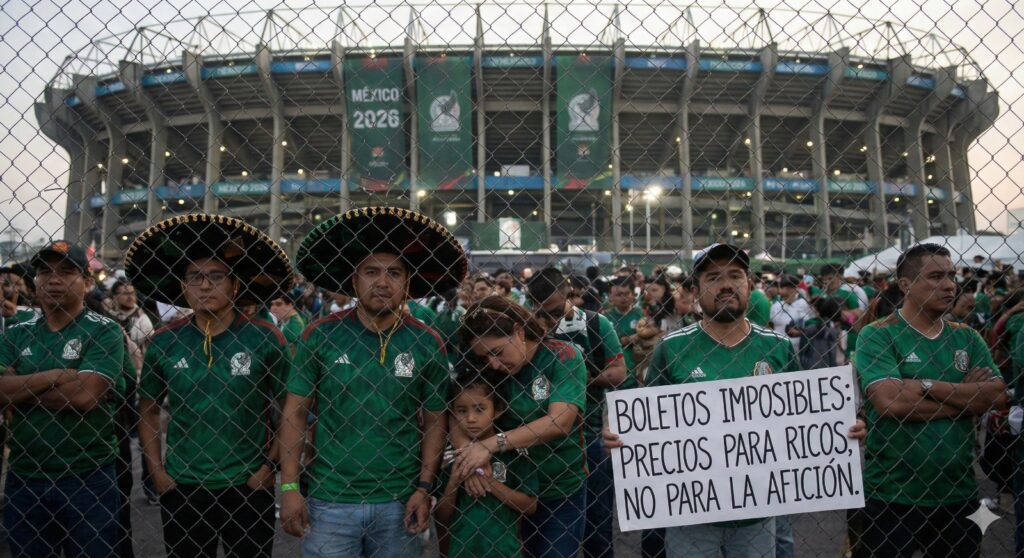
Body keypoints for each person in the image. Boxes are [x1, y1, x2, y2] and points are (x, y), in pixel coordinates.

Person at [603, 243, 866, 558]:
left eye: (735, 276)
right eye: (713, 277)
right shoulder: (671, 349)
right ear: (697, 292)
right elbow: (649, 423)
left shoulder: (778, 347)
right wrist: (625, 437)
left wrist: (837, 429)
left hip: (760, 511)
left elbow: (801, 420)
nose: (726, 284)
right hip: (692, 513)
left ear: (750, 285)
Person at [279, 207, 465, 557]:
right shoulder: (320, 335)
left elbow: (436, 421)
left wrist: (425, 488)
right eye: (371, 272)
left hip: (400, 499)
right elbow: (294, 413)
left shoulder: (427, 341)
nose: (383, 282)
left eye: (394, 273)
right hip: (330, 497)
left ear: (408, 284)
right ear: (353, 281)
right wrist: (289, 486)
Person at [128, 214, 294, 558]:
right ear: (183, 287)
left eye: (216, 277)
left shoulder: (265, 337)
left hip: (248, 484)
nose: (205, 286)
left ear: (234, 285)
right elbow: (148, 409)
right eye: (195, 278)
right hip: (183, 485)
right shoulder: (164, 341)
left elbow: (291, 410)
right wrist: (157, 472)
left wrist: (269, 468)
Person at [856, 243, 1008, 557]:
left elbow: (995, 394)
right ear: (906, 285)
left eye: (952, 275)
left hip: (959, 494)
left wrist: (923, 385)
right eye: (936, 276)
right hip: (891, 494)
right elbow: (890, 403)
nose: (950, 284)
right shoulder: (878, 334)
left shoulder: (966, 337)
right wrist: (965, 398)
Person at [0, 241, 126, 557]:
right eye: (45, 272)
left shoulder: (104, 331)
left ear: (86, 283)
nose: (53, 280)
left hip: (87, 475)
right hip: (25, 474)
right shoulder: (16, 330)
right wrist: (57, 375)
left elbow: (84, 397)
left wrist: (20, 388)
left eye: (66, 272)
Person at [454, 295, 588, 558]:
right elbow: (457, 412)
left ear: (519, 331)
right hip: (507, 486)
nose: (493, 363)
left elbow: (559, 422)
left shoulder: (562, 356)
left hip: (560, 485)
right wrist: (469, 462)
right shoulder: (485, 368)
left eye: (497, 352)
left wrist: (489, 445)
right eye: (484, 356)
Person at [525, 267, 626, 558]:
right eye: (542, 310)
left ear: (567, 291)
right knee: (541, 525)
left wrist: (577, 379)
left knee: (597, 527)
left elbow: (619, 371)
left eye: (556, 310)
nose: (550, 318)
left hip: (588, 435)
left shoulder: (595, 324)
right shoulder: (529, 325)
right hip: (540, 437)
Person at [435, 372, 538, 558]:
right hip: (461, 552)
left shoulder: (514, 455)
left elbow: (530, 506)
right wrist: (454, 482)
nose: (471, 419)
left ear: (497, 410)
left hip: (505, 552)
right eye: (462, 410)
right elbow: (441, 518)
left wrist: (490, 483)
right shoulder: (452, 459)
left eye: (480, 409)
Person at [606, 276, 644, 376]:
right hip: (614, 371)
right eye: (619, 295)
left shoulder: (640, 314)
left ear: (633, 294)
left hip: (638, 369)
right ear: (610, 296)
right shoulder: (605, 318)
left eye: (627, 293)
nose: (623, 298)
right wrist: (628, 339)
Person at [109, 279, 154, 351]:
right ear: (115, 296)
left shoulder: (142, 318)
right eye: (125, 294)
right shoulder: (108, 314)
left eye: (132, 293)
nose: (130, 297)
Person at [769, 274, 811, 348]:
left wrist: (800, 332)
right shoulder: (776, 306)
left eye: (790, 287)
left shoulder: (803, 304)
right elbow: (771, 325)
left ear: (796, 288)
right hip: (779, 345)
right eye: (784, 287)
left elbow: (809, 326)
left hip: (799, 347)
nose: (788, 291)